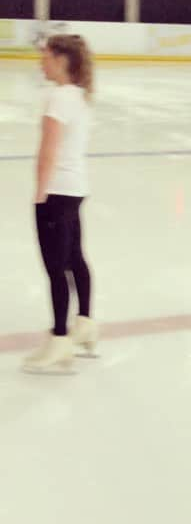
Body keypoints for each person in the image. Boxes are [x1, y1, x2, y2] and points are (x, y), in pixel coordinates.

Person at [24, 35, 96, 374]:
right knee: (75, 258)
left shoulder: (57, 99)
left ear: (61, 60)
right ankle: (84, 323)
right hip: (77, 187)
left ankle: (59, 340)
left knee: (56, 268)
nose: (41, 62)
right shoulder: (79, 97)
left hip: (56, 191)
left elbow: (48, 151)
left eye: (46, 56)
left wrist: (40, 194)